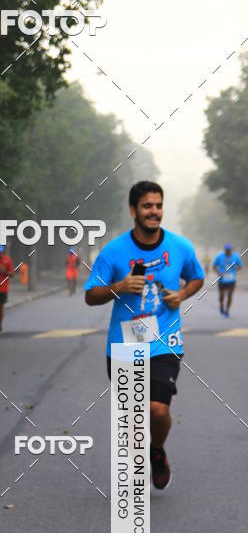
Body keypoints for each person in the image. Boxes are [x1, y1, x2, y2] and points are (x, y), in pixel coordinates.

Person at [84, 180, 204, 490]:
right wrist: (119, 287)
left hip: (165, 339)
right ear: (133, 210)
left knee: (157, 408)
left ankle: (157, 450)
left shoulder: (180, 247)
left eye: (158, 206)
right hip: (124, 343)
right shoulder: (114, 251)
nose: (154, 212)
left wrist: (181, 295)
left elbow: (197, 278)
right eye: (147, 206)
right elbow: (91, 295)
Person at [213, 243, 242, 317]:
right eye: (226, 250)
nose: (228, 251)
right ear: (224, 250)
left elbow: (240, 266)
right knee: (221, 296)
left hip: (231, 280)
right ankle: (222, 306)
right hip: (222, 279)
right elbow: (214, 266)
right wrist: (218, 272)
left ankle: (227, 311)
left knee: (230, 295)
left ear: (231, 250)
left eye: (229, 250)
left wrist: (237, 268)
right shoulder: (219, 256)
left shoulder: (236, 256)